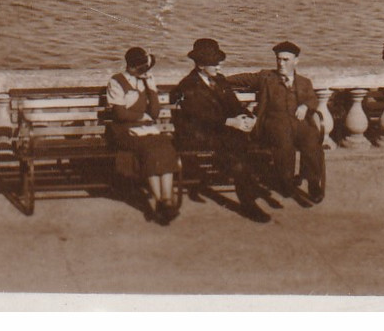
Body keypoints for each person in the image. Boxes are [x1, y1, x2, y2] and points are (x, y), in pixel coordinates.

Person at [172, 38, 269, 222]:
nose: (219, 66)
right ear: (201, 65)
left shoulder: (220, 81)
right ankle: (248, 204)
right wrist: (230, 122)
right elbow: (199, 117)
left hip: (221, 130)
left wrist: (248, 117)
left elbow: (234, 104)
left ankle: (246, 182)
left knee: (252, 142)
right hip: (199, 134)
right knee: (237, 150)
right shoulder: (188, 85)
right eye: (214, 63)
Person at [231, 41, 325, 203]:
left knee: (311, 140)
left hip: (299, 122)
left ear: (296, 61)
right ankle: (286, 181)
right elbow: (244, 79)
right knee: (283, 143)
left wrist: (305, 106)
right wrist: (218, 80)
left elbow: (313, 99)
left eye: (286, 60)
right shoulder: (267, 77)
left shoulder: (304, 82)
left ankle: (313, 182)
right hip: (274, 121)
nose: (281, 63)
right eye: (278, 59)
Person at [105, 47, 181, 224]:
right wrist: (141, 116)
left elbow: (154, 113)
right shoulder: (116, 82)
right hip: (123, 130)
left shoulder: (146, 81)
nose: (146, 72)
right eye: (143, 68)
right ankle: (159, 200)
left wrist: (152, 89)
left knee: (165, 146)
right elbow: (120, 114)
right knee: (149, 150)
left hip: (146, 128)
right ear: (133, 67)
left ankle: (167, 200)